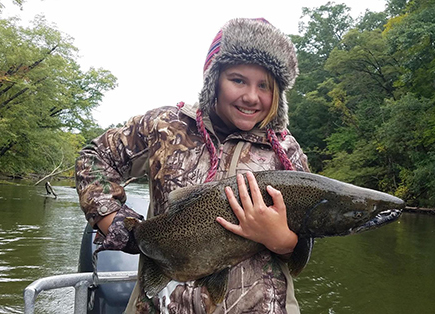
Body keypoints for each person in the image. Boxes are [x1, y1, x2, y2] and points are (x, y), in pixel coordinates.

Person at [75, 18, 312, 314]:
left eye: (264, 85)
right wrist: (118, 224)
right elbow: (94, 157)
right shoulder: (164, 127)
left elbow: (305, 240)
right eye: (238, 80)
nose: (251, 96)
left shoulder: (288, 151)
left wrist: (282, 241)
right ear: (214, 79)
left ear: (277, 93)